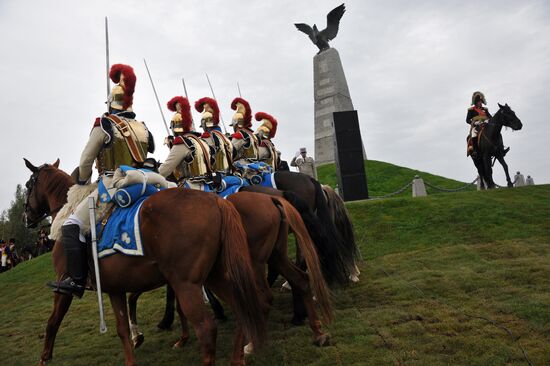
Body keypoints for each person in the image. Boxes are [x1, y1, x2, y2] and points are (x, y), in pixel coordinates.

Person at [47, 63, 155, 298]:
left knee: (71, 225)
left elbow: (86, 161)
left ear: (110, 102)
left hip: (111, 185)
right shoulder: (142, 127)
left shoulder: (104, 124)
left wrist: (84, 181)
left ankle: (76, 281)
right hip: (143, 183)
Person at [158, 96, 212, 186]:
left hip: (189, 187)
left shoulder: (182, 142)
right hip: (207, 186)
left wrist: (150, 174)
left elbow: (164, 171)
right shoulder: (203, 141)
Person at [195, 97, 233, 174]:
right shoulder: (224, 137)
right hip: (229, 171)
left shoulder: (207, 138)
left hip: (216, 173)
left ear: (204, 123)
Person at [229, 97, 259, 165]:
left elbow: (231, 151)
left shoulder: (240, 134)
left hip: (243, 164)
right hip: (256, 164)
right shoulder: (252, 135)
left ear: (235, 124)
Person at [466, 91, 492, 157]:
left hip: (486, 125)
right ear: (476, 102)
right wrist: (474, 123)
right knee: (474, 134)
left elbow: (490, 117)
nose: (480, 103)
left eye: (481, 101)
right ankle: (475, 150)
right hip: (476, 126)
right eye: (479, 102)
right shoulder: (471, 110)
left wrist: (488, 121)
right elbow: (467, 120)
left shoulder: (485, 110)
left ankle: (500, 148)